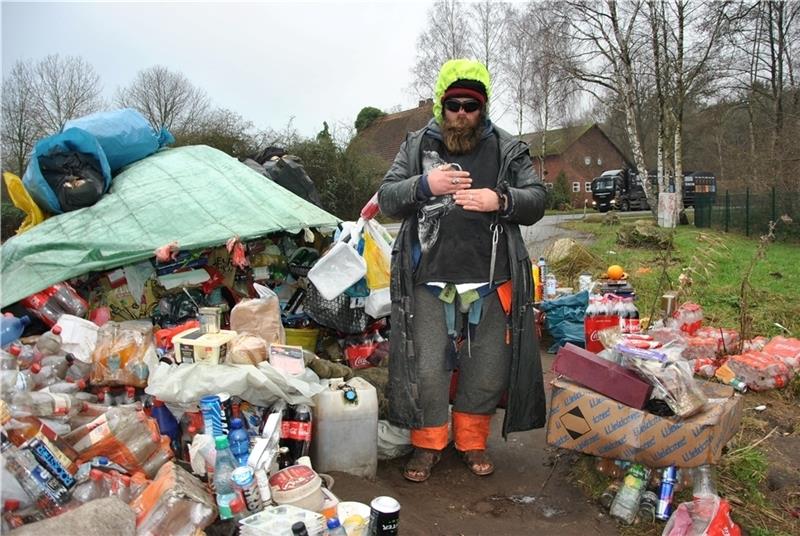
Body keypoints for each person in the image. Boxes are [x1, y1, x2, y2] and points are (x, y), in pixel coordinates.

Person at [377, 59, 548, 482]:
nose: (460, 113)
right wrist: (424, 185)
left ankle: (471, 441)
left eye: (470, 105)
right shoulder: (416, 145)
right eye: (453, 104)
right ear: (441, 104)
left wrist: (501, 200)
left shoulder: (508, 148)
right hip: (427, 280)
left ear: (483, 107)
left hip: (492, 281)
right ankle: (428, 444)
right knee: (426, 367)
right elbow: (385, 198)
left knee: (488, 368)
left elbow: (538, 198)